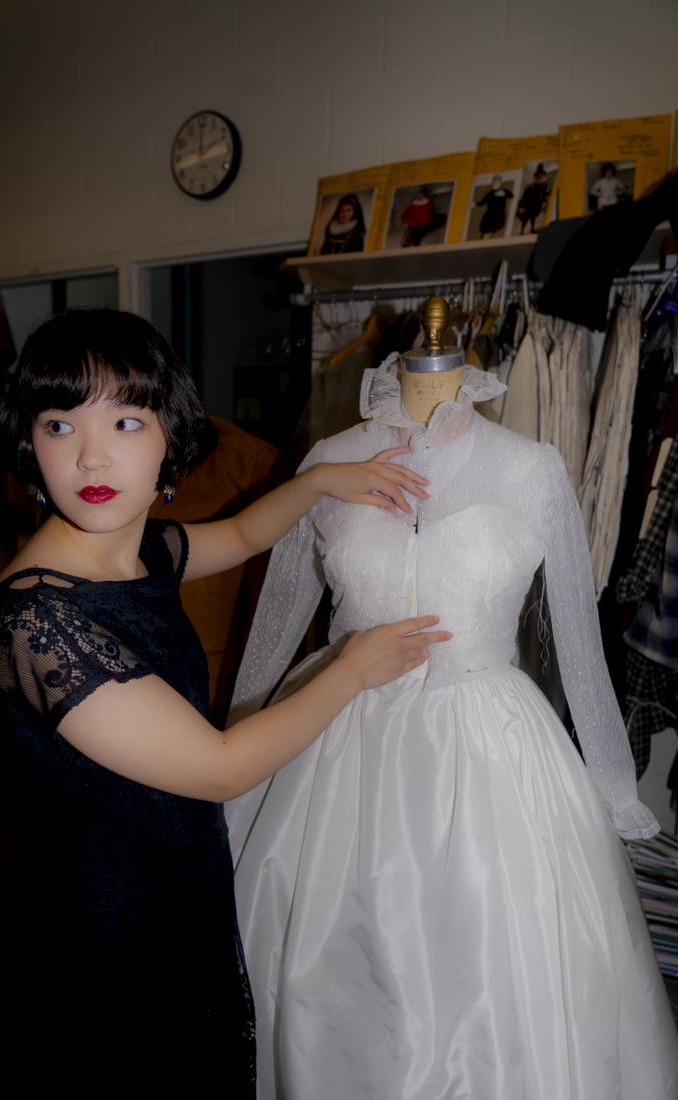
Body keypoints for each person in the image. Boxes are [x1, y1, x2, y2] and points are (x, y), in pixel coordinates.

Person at [0, 308, 451, 1099]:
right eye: (60, 424)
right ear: (31, 443)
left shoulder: (134, 548)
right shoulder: (38, 619)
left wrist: (319, 483)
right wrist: (351, 668)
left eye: (126, 420)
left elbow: (233, 536)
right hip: (99, 937)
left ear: (171, 439)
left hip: (168, 894)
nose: (92, 455)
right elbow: (220, 769)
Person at [227, 355, 678, 1100]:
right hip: (334, 741)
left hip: (488, 748)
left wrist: (608, 778)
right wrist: (237, 742)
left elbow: (575, 631)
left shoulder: (529, 467)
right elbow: (277, 620)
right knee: (327, 963)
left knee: (495, 959)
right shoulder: (328, 462)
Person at [516, 162, 550, 234]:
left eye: (541, 176)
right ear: (535, 177)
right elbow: (525, 195)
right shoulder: (530, 186)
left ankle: (532, 228)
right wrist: (522, 206)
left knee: (533, 217)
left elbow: (544, 196)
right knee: (526, 218)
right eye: (538, 176)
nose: (540, 177)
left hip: (536, 205)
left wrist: (544, 202)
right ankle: (522, 230)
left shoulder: (543, 186)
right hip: (529, 204)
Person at [476, 174, 514, 238]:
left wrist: (504, 194)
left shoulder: (503, 191)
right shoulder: (489, 194)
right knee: (484, 227)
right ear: (493, 183)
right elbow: (482, 202)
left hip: (498, 213)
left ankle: (488, 237)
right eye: (495, 182)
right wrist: (475, 204)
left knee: (492, 228)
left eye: (498, 182)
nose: (497, 183)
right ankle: (484, 238)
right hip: (489, 213)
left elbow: (511, 195)